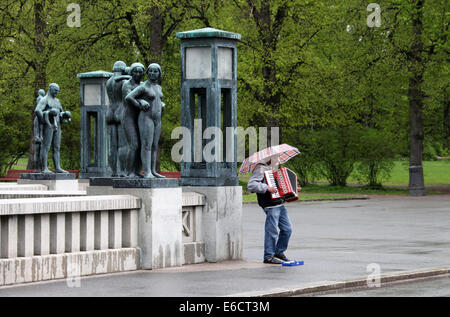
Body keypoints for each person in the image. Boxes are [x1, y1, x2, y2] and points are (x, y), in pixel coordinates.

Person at [247, 156, 293, 264]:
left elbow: (280, 187)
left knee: (287, 229)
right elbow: (251, 185)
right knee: (271, 231)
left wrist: (292, 190)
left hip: (280, 204)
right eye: (277, 157)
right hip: (270, 205)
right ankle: (268, 256)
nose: (279, 160)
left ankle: (278, 252)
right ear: (270, 158)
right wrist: (267, 188)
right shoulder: (260, 168)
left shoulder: (274, 169)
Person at [125, 63, 166, 178]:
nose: (153, 73)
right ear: (147, 73)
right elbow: (129, 97)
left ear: (159, 73)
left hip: (157, 119)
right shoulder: (144, 86)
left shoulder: (158, 87)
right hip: (146, 118)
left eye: (155, 71)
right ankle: (147, 171)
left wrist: (161, 104)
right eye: (151, 71)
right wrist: (140, 104)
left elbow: (157, 98)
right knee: (146, 145)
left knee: (154, 145)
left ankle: (153, 171)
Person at [34, 83, 71, 174]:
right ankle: (45, 168)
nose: (57, 92)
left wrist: (65, 114)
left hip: (57, 125)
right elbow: (37, 110)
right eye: (55, 90)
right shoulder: (44, 100)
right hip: (48, 124)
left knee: (56, 147)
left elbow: (60, 112)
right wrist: (45, 119)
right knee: (45, 146)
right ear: (50, 89)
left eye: (58, 91)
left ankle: (57, 167)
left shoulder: (57, 101)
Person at [106, 61, 130, 177]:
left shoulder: (109, 81)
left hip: (110, 111)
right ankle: (123, 171)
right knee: (123, 145)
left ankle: (113, 171)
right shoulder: (124, 81)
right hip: (121, 111)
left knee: (112, 146)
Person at [121, 63, 145, 178]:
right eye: (135, 71)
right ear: (131, 72)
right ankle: (128, 171)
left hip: (140, 118)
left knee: (141, 145)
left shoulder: (143, 85)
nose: (138, 74)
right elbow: (129, 98)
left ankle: (137, 171)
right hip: (128, 118)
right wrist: (140, 104)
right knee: (134, 145)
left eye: (140, 72)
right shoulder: (126, 84)